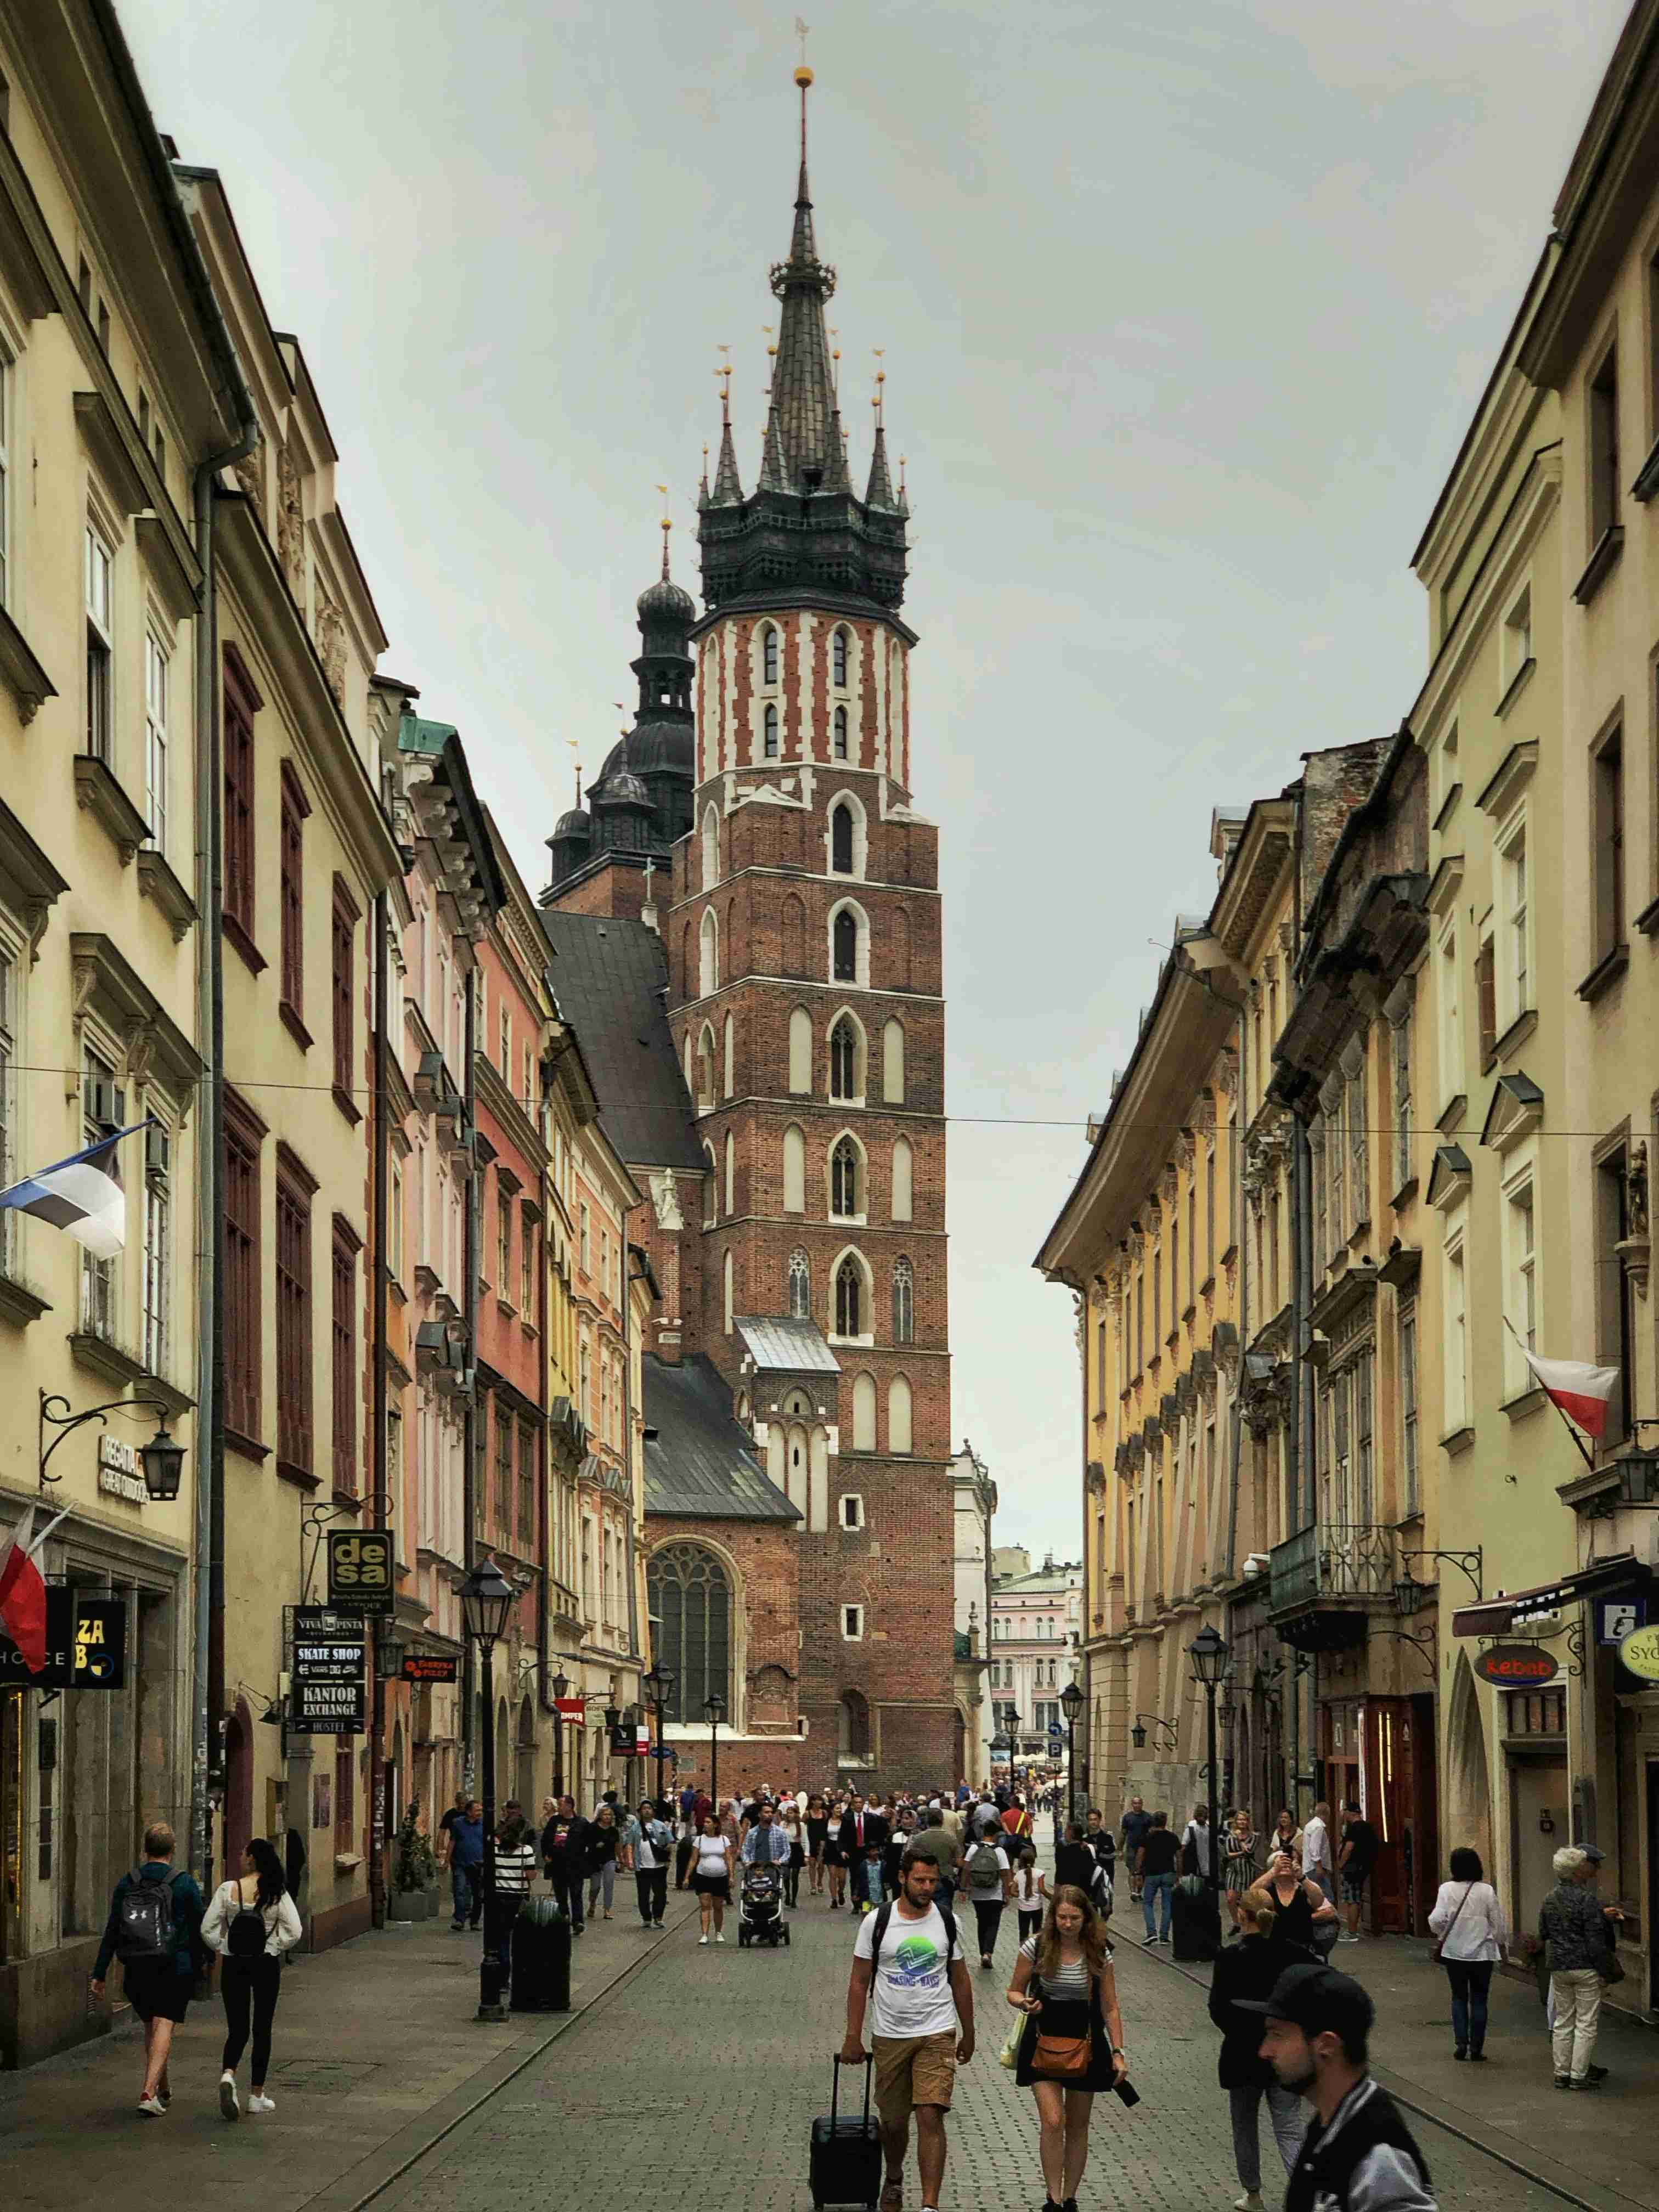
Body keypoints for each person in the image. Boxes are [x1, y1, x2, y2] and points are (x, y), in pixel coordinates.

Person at [841, 1845, 974, 2212]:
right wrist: (853, 2036)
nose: (927, 1887)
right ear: (902, 1878)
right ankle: (895, 2175)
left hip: (937, 2030)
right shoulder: (877, 1922)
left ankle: (930, 2205)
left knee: (931, 2113)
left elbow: (961, 1980)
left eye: (933, 1880)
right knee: (894, 2123)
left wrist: (970, 2031)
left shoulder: (948, 1921)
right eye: (920, 1880)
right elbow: (859, 1980)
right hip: (890, 2034)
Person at [1248, 1962, 1437, 2211]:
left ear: (1326, 2044)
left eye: (1277, 2036)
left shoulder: (1377, 2153)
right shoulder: (1328, 2126)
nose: (1265, 2051)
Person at [1005, 1882, 1127, 2212]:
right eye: (1062, 1917)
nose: (1068, 1924)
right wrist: (1025, 2003)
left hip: (1086, 2040)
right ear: (1053, 1916)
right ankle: (1053, 2198)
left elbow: (1110, 2005)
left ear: (1086, 1918)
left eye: (1074, 1918)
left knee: (1078, 2124)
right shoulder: (1037, 1946)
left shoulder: (1100, 1952)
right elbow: (1013, 1991)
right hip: (1043, 2037)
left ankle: (1071, 2196)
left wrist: (1119, 2051)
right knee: (1053, 2120)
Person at [90, 1821, 205, 2117]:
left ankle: (162, 2089)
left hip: (137, 1964)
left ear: (145, 1849)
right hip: (173, 1965)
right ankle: (148, 2091)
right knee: (164, 2024)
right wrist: (204, 1962)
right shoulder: (183, 1883)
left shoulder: (129, 1882)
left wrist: (100, 1972)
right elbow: (198, 1927)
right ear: (173, 1849)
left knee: (150, 2027)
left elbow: (113, 1929)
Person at [1209, 1882, 1307, 2210]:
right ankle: (1304, 2197)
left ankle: (1253, 2194)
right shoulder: (1293, 1953)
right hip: (1287, 2055)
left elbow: (1218, 2009)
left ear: (1242, 1914)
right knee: (1290, 2129)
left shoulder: (1229, 1958)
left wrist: (1241, 2030)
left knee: (1245, 2126)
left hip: (1242, 2055)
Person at [201, 1836, 303, 2119]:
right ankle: (256, 2095)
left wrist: (224, 1946)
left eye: (244, 1854)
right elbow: (295, 1931)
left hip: (235, 1964)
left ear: (251, 1859)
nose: (240, 1857)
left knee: (237, 2027)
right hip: (265, 1965)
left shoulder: (228, 1889)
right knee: (262, 2028)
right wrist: (272, 1945)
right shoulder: (275, 1891)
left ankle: (228, 2074)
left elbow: (207, 1929)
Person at [1540, 1844, 1622, 2089]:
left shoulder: (1549, 1899)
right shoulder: (1587, 1900)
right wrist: (1608, 1971)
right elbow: (1596, 1941)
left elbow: (1544, 1932)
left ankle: (1561, 2073)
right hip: (1586, 1967)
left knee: (1563, 2020)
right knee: (1586, 2022)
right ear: (1578, 1871)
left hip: (1559, 1966)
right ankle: (1578, 2075)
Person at [1426, 1846, 1506, 2063]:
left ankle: (1461, 2043)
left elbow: (1436, 1920)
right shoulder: (1487, 1891)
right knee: (1480, 2000)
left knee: (1459, 1997)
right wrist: (1500, 1943)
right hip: (1482, 1953)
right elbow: (1498, 1923)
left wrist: (1441, 1932)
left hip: (1455, 1951)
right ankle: (1477, 2048)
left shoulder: (1446, 1889)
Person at [1261, 1846, 1339, 1956]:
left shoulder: (1306, 1887)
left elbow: (1330, 1912)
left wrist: (1300, 1918)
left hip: (1302, 1947)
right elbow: (1251, 1894)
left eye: (1292, 1860)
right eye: (1283, 1860)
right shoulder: (1267, 1890)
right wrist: (1273, 1871)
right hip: (1273, 1947)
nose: (1287, 1863)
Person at [961, 1822, 1013, 1967]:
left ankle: (982, 1952)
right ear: (996, 1834)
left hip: (977, 1893)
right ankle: (987, 1953)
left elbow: (966, 1869)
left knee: (982, 1922)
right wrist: (1007, 1894)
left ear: (983, 1832)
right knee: (993, 1923)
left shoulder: (974, 1848)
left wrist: (963, 1888)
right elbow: (1005, 1873)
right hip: (995, 1894)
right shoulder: (999, 1851)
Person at [492, 1800, 538, 1962]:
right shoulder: (527, 1851)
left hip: (499, 1896)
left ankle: (504, 1967)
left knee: (502, 1935)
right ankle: (519, 1966)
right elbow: (531, 1876)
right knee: (520, 1934)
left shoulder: (495, 1850)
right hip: (519, 1897)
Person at [904, 1805, 963, 1922]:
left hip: (923, 1880)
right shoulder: (951, 1838)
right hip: (945, 1880)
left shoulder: (918, 1839)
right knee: (944, 1915)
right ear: (942, 1821)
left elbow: (908, 1858)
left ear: (927, 1821)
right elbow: (960, 1863)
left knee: (923, 1914)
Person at [625, 1796, 673, 1928]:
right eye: (644, 1809)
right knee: (643, 1893)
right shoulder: (635, 1828)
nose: (647, 1811)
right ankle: (646, 1917)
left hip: (659, 1866)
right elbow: (630, 1845)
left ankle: (658, 1917)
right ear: (640, 1812)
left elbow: (670, 1843)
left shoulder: (661, 1825)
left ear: (653, 1811)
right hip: (642, 1866)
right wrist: (630, 1861)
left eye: (649, 1808)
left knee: (661, 1893)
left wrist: (668, 1857)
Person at [1336, 1801, 1378, 1943]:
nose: (1343, 1815)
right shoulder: (1367, 1827)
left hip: (1352, 1868)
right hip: (1363, 1867)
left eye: (1344, 1812)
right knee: (1356, 1898)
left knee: (1352, 1900)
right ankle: (1353, 1929)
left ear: (1350, 1813)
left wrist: (1341, 1864)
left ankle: (1352, 1931)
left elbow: (1349, 1847)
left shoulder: (1355, 1828)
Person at [1137, 1812, 1180, 1944]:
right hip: (1168, 1873)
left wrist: (1138, 1872)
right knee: (1167, 1905)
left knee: (1148, 1903)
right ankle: (1164, 1936)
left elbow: (1140, 1855)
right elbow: (1179, 1857)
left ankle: (1151, 1933)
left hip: (1151, 1874)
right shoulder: (1173, 1837)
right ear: (1165, 1822)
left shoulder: (1147, 1837)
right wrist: (1179, 1874)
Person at [691, 1812, 734, 1943]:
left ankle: (718, 1932)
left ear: (715, 1825)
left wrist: (731, 1875)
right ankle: (704, 1934)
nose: (705, 1824)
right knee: (705, 1906)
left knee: (718, 1906)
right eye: (705, 1822)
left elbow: (729, 1858)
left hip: (720, 1877)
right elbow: (693, 1859)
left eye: (708, 1822)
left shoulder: (723, 1839)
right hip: (703, 1875)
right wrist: (687, 1877)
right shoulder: (699, 1840)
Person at [447, 1798, 484, 1930]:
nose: (480, 1812)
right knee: (459, 1891)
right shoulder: (458, 1823)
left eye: (481, 1810)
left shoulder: (484, 1825)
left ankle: (474, 1921)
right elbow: (452, 1842)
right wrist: (447, 1860)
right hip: (460, 1863)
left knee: (478, 1894)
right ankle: (460, 1920)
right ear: (469, 1812)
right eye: (477, 1810)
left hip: (479, 1864)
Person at [1223, 1810, 1261, 1931]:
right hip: (1233, 1869)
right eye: (1239, 1820)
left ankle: (1247, 1924)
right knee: (1230, 1898)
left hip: (1247, 1870)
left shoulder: (1254, 1836)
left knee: (1245, 1900)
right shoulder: (1230, 1836)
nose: (1242, 1822)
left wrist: (1240, 1840)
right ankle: (1236, 1923)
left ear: (1248, 1822)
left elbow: (1249, 1852)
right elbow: (1229, 1854)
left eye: (1244, 1820)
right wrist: (1240, 1853)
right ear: (1236, 1821)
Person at [585, 1801, 621, 1921]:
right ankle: (593, 1903)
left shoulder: (613, 1831)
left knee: (609, 1883)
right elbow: (586, 1842)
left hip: (609, 1859)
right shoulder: (592, 1828)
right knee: (595, 1887)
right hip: (594, 1860)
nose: (607, 1817)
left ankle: (607, 1909)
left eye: (609, 1815)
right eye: (605, 1814)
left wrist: (621, 1860)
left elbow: (617, 1845)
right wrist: (595, 1845)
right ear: (600, 1816)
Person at [1053, 1820, 1098, 1898]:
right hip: (1084, 1891)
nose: (1064, 1833)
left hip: (1067, 1890)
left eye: (1066, 1830)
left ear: (1071, 1834)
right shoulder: (1087, 1850)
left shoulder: (1063, 1850)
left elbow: (1060, 1871)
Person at [1301, 1800, 1334, 1901]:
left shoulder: (1310, 1825)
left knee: (1314, 1897)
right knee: (1327, 1898)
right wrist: (1319, 1866)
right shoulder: (1318, 1827)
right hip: (1315, 1868)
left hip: (1309, 1867)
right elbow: (1314, 1847)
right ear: (1327, 1814)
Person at [1120, 1796, 1152, 1900]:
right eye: (1135, 1803)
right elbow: (1124, 1833)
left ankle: (1139, 1892)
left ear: (1142, 1804)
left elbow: (1151, 1832)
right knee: (1132, 1870)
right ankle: (1133, 1892)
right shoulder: (1127, 1817)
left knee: (1142, 1872)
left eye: (1139, 1803)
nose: (1137, 1805)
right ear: (1132, 1805)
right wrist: (1120, 1848)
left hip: (1144, 1848)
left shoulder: (1147, 1817)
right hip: (1131, 1847)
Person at [780, 1798, 808, 1906]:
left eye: (792, 1813)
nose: (790, 1815)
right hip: (786, 1849)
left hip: (796, 1849)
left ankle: (794, 1899)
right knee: (786, 1875)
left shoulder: (801, 1826)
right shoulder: (783, 1824)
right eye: (788, 1813)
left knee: (795, 1876)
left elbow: (805, 1841)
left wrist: (806, 1855)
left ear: (796, 1814)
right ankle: (787, 1894)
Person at [1014, 1844, 1043, 1944]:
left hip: (1023, 1908)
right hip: (1037, 1907)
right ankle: (1037, 1950)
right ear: (1034, 1859)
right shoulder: (1040, 1873)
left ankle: (1023, 1951)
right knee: (1037, 1931)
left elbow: (1013, 1892)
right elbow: (1042, 1889)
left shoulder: (1018, 1874)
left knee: (1023, 1932)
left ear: (1021, 1861)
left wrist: (1022, 1894)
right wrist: (1052, 1897)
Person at [806, 1792, 831, 1898]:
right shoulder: (807, 1814)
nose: (820, 1802)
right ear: (813, 1802)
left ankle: (820, 1881)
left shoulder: (824, 1813)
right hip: (811, 1840)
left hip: (823, 1841)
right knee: (812, 1864)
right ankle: (813, 1885)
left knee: (821, 1864)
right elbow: (803, 1826)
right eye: (818, 1800)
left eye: (821, 1800)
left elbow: (826, 1827)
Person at [1182, 1803, 1214, 1882]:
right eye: (1200, 1815)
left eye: (1204, 1816)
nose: (1202, 1818)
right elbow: (1184, 1847)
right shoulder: (1191, 1828)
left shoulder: (1209, 1827)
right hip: (1195, 1864)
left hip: (1207, 1862)